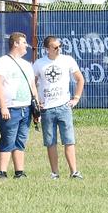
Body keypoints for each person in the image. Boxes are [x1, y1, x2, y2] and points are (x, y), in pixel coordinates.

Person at [33, 36, 85, 180]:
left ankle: (74, 171)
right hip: (47, 109)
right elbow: (33, 83)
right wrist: (37, 101)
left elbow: (80, 79)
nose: (58, 49)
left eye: (59, 46)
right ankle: (54, 172)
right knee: (50, 142)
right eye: (55, 47)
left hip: (64, 107)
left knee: (69, 140)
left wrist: (76, 98)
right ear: (47, 49)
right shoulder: (39, 64)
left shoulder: (67, 60)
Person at [0, 32, 37, 179]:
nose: (26, 46)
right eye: (24, 42)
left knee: (20, 140)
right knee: (8, 139)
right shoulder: (2, 62)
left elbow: (32, 85)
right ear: (15, 43)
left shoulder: (27, 64)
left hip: (26, 107)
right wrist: (3, 106)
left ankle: (19, 171)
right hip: (10, 107)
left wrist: (36, 107)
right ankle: (2, 172)